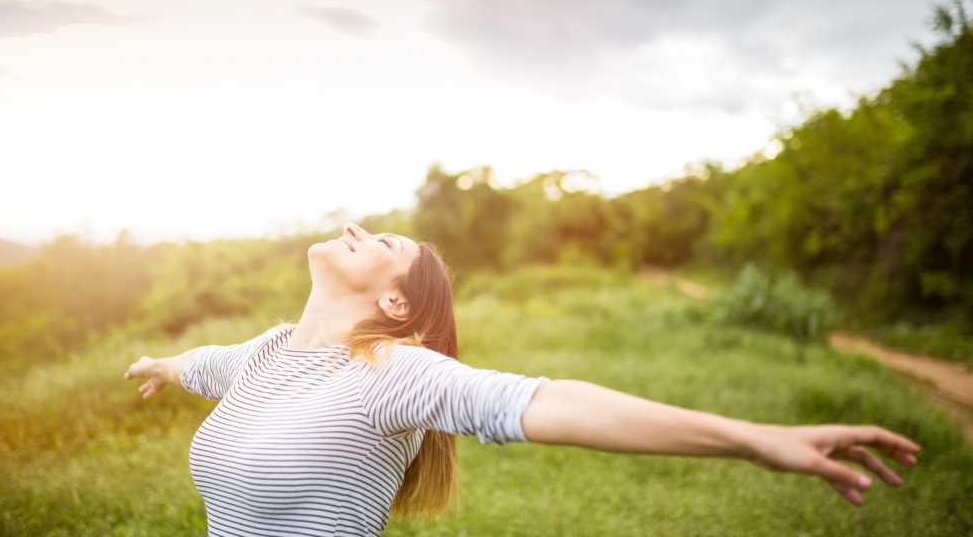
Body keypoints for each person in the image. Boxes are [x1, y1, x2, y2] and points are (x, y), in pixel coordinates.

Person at [125, 222, 920, 537]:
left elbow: (549, 401)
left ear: (395, 300)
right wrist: (164, 366)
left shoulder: (393, 375)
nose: (360, 227)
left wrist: (753, 440)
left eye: (386, 240)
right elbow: (206, 367)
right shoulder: (264, 353)